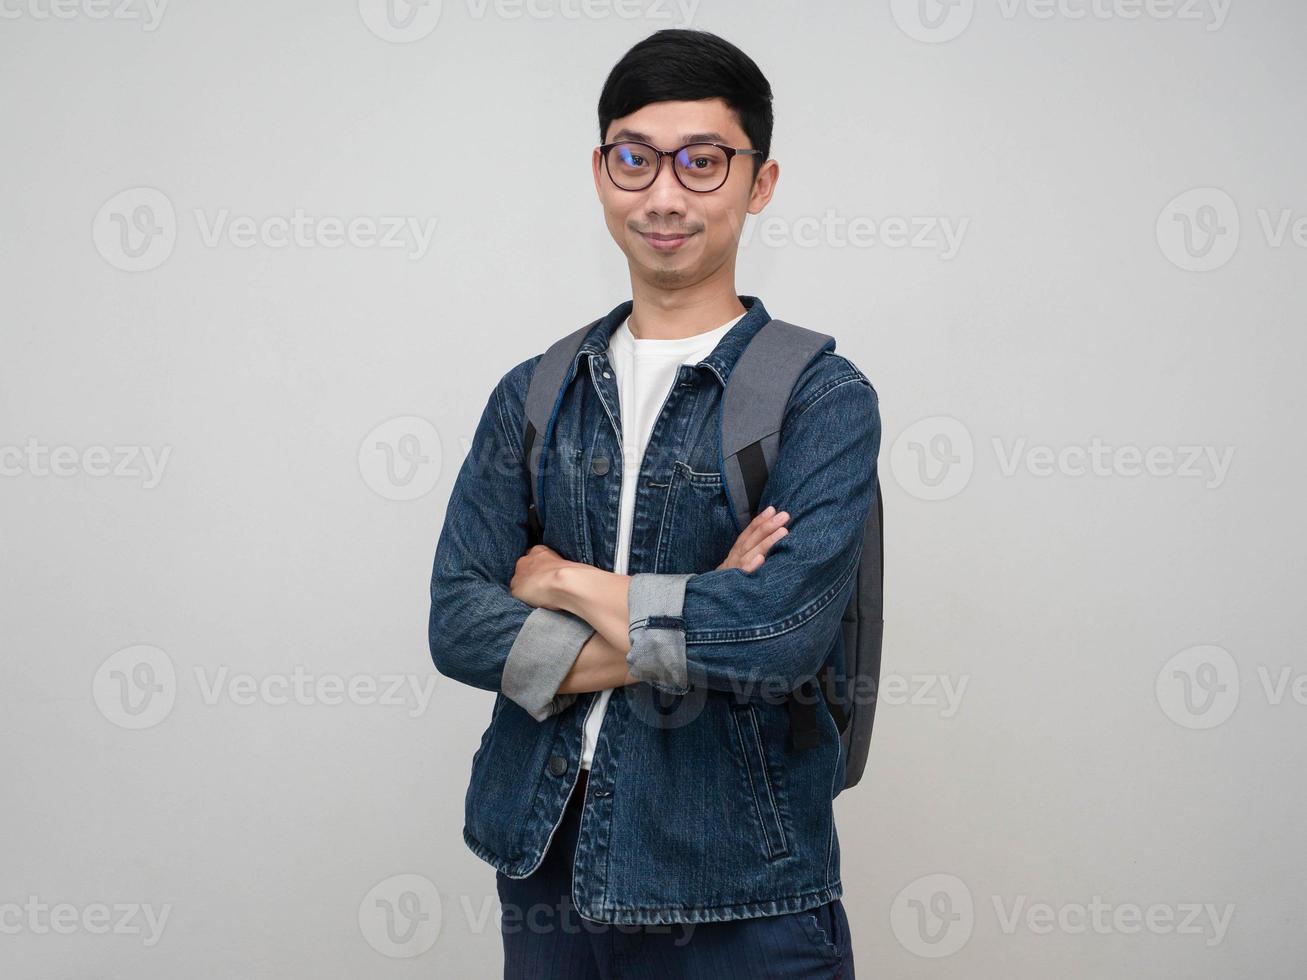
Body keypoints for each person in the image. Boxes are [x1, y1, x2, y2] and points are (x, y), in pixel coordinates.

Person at [428, 28, 879, 979]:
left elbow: (777, 635)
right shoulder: (535, 392)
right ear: (601, 174)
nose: (663, 194)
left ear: (758, 183)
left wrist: (565, 581)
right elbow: (458, 623)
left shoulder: (819, 398)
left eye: (702, 163)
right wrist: (688, 613)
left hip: (741, 884)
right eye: (634, 159)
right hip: (545, 857)